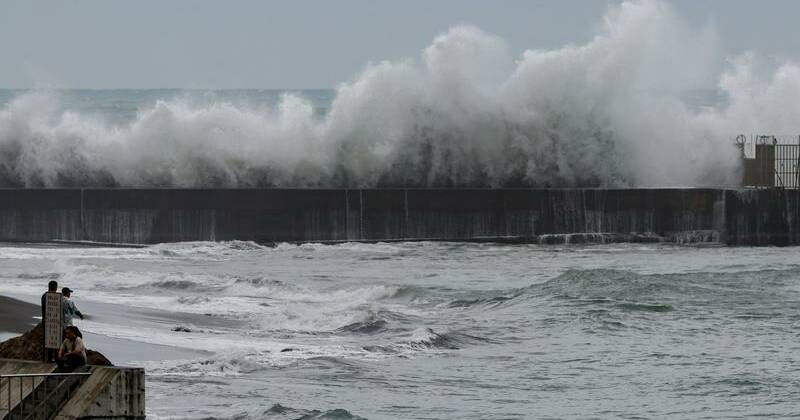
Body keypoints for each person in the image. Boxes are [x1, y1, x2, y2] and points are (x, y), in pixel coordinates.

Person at [41, 280, 59, 362]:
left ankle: (46, 358)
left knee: (46, 340)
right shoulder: (53, 296)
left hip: (45, 320)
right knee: (54, 340)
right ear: (55, 287)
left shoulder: (44, 295)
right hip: (53, 321)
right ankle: (51, 358)